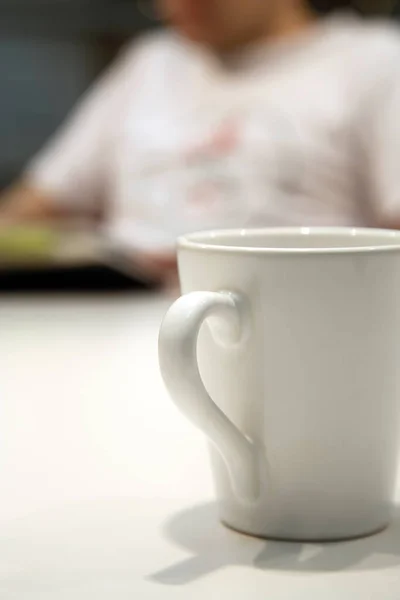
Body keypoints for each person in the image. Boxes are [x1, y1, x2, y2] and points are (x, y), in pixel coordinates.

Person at [1, 0, 400, 285]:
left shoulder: (374, 60)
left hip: (285, 319)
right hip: (108, 318)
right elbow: (32, 206)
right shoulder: (151, 62)